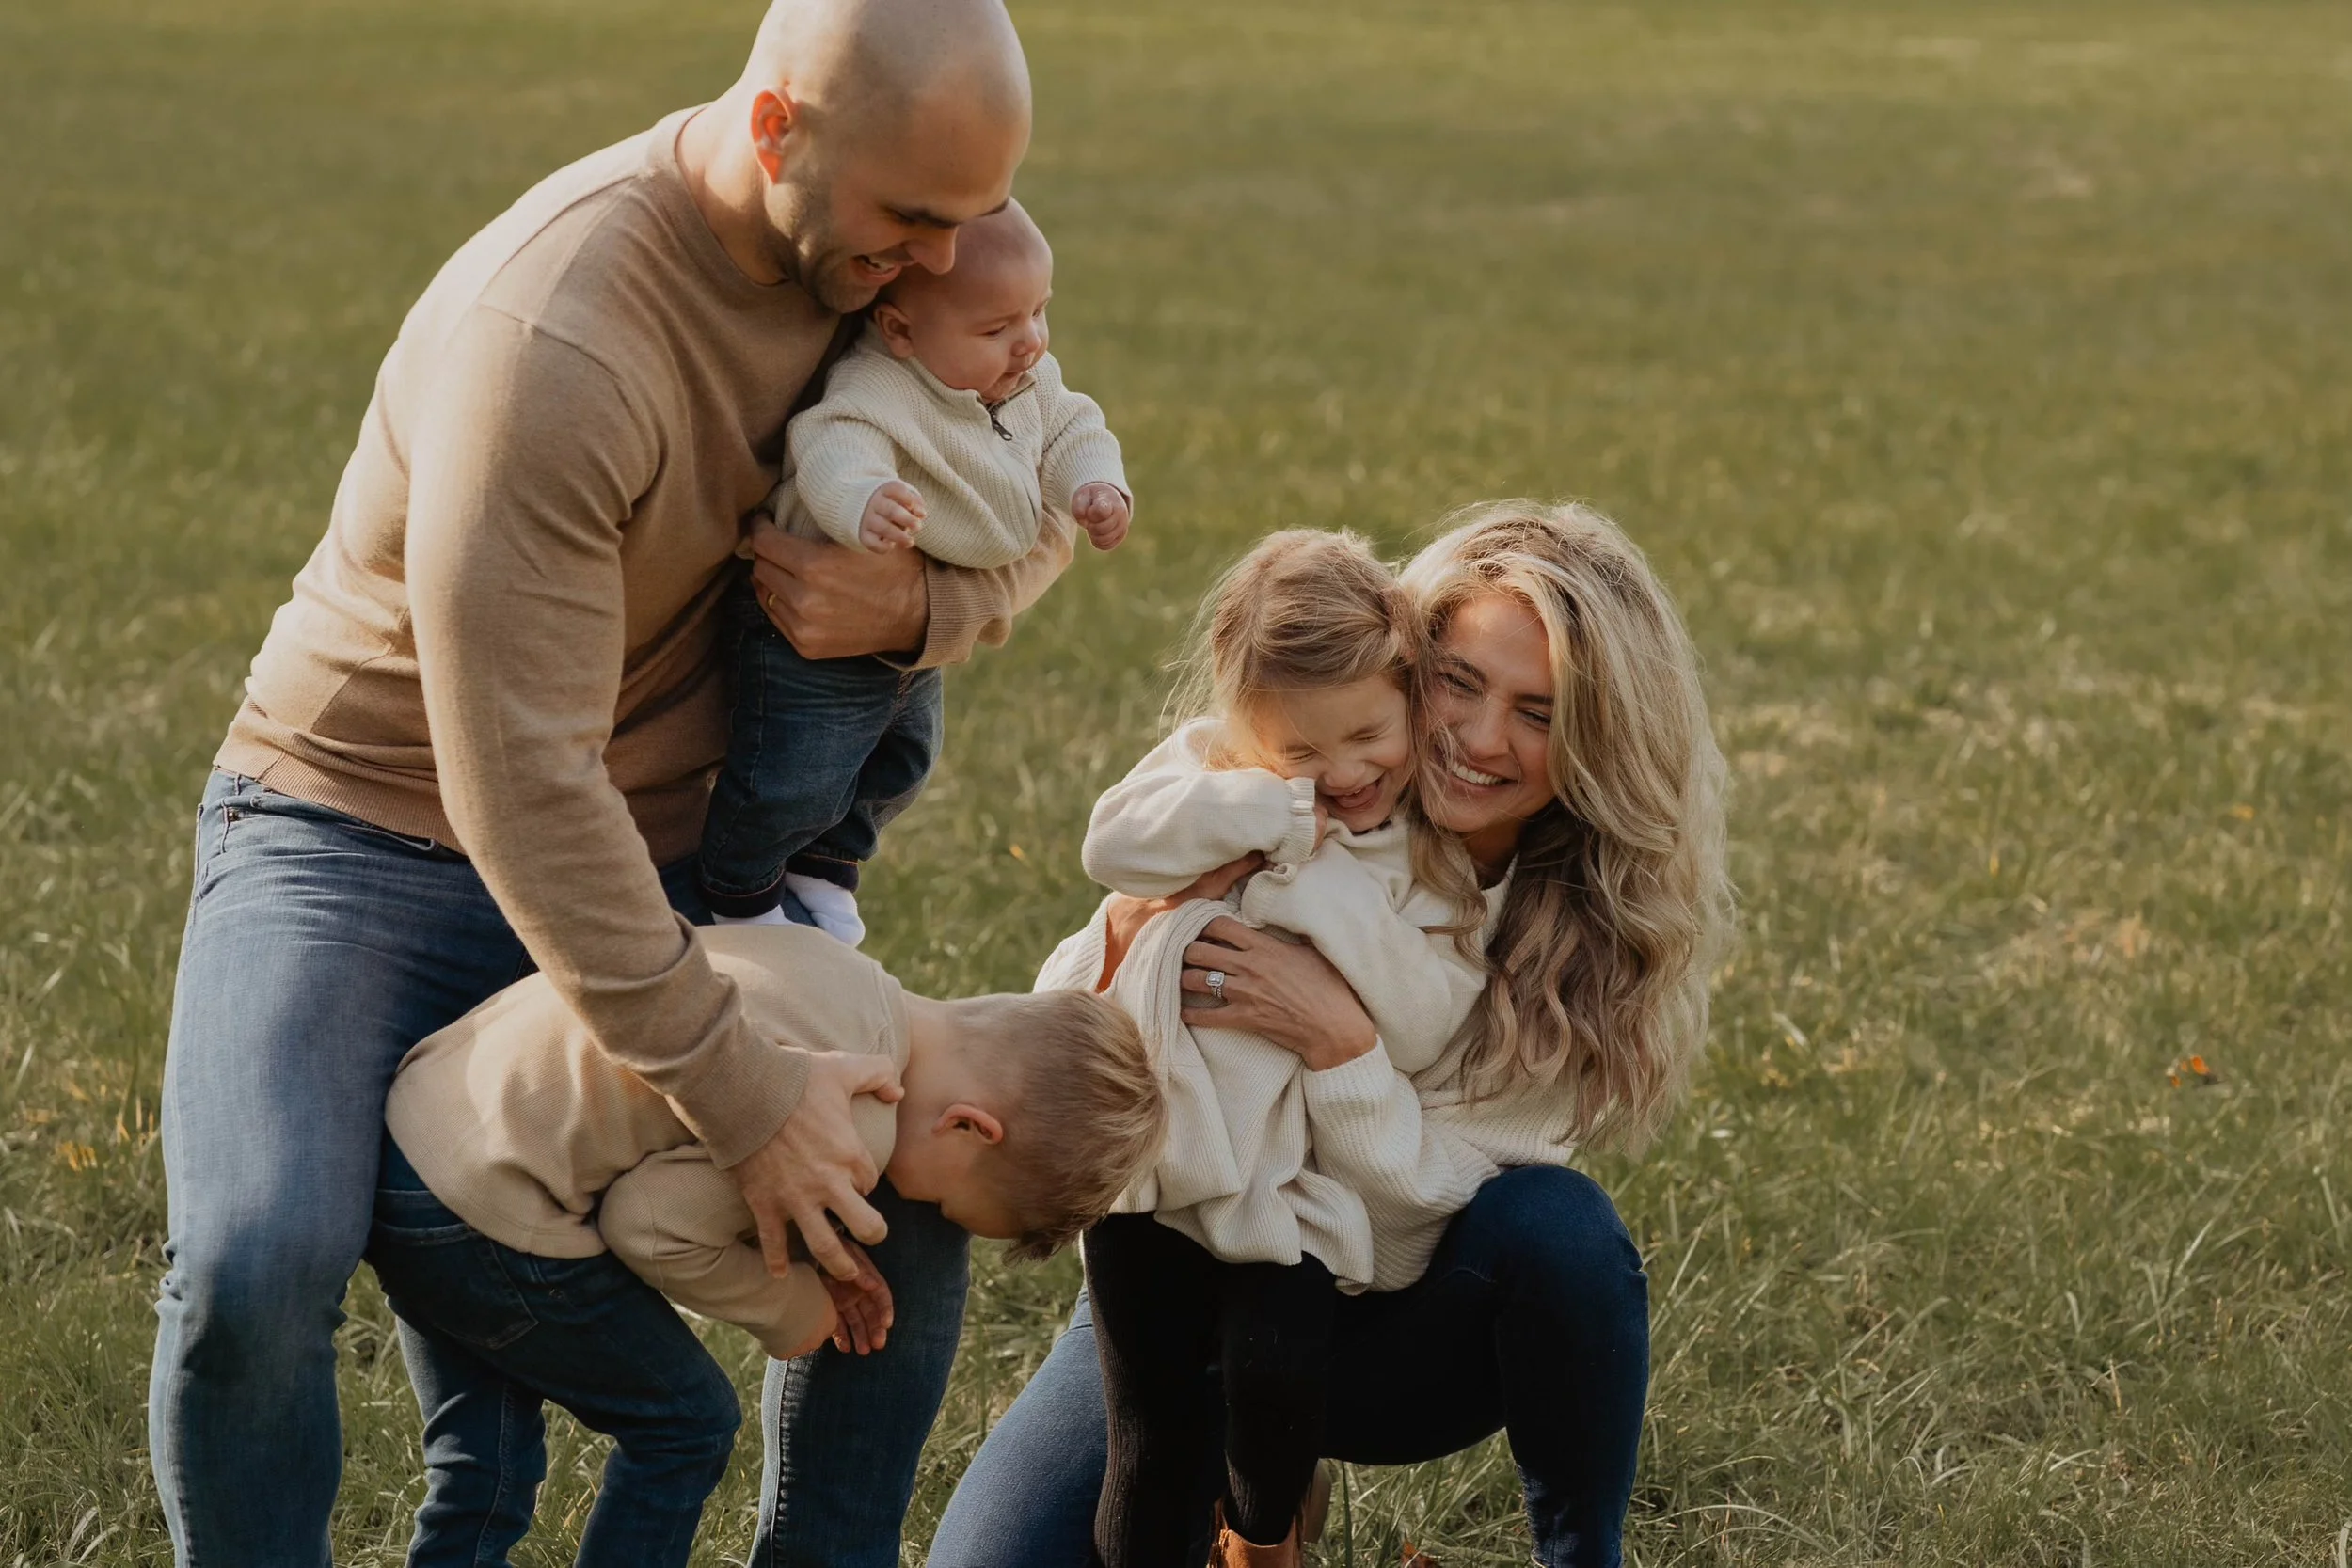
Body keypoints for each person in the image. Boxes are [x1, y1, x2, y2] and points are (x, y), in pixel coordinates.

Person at [147, 2, 1049, 1562]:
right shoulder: (559, 335)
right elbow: (523, 786)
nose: (941, 261)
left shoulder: (893, 256)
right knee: (255, 1256)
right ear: (775, 130)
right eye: (913, 218)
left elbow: (1036, 478)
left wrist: (920, 605)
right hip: (361, 826)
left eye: (970, 218)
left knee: (905, 1180)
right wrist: (740, 1093)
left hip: (661, 839)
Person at [929, 499, 1736, 1568]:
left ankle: (1575, 1552)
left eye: (1538, 713)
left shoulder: (1582, 935)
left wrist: (1341, 1045)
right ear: (1404, 662)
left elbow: (1423, 1207)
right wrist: (1132, 931)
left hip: (1389, 1310)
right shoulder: (1295, 769)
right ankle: (1238, 1490)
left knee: (1563, 1231)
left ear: (1597, 739)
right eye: (1458, 681)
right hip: (1191, 1266)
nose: (1479, 737)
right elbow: (1069, 1027)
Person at [366, 922, 1165, 1565]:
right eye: (946, 1204)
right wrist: (795, 1309)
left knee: (481, 1461)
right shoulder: (849, 1124)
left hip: (416, 1136)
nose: (920, 1213)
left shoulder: (840, 970)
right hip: (487, 1217)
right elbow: (649, 1224)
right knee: (687, 1426)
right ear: (968, 1126)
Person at [1056, 530, 1500, 1565]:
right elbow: (1109, 845)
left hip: (1288, 1201)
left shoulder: (1422, 858)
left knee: (1274, 1397)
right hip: (1152, 1179)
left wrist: (1321, 889)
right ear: (1245, 726)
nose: (1341, 774)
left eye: (1368, 734)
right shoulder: (1214, 775)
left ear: (1410, 693)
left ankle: (1262, 1546)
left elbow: (1425, 1020)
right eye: (1300, 752)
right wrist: (1266, 804)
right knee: (1150, 1436)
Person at [700, 198, 1132, 942]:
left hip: (909, 643)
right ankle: (740, 888)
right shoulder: (878, 387)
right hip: (807, 647)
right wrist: (865, 499)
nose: (1030, 342)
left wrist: (1095, 483)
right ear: (900, 331)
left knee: (902, 760)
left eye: (1038, 312)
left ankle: (826, 863)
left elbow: (1073, 426)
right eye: (996, 329)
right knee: (794, 775)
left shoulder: (1022, 379)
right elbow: (832, 445)